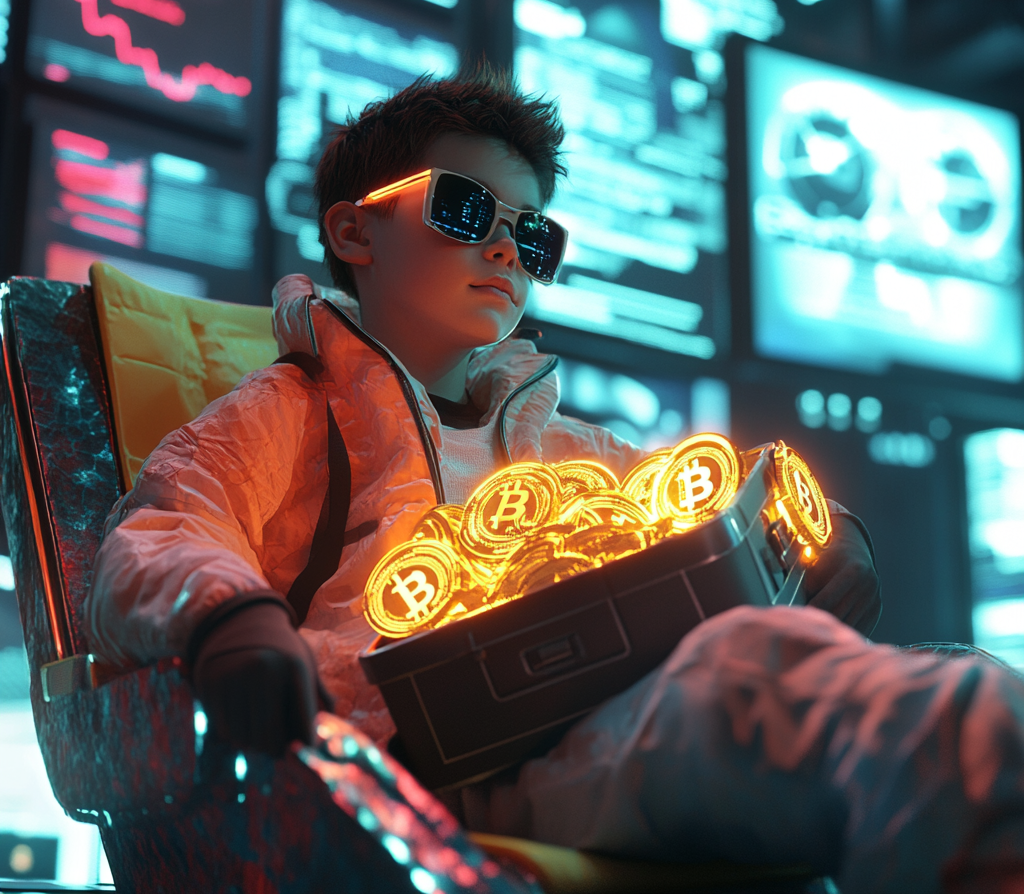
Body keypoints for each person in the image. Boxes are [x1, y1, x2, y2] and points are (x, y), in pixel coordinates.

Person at [87, 68, 1024, 890]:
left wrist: (816, 536)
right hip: (425, 765)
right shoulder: (291, 410)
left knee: (966, 678)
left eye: (531, 236)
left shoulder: (557, 441)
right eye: (466, 211)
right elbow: (165, 527)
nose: (505, 250)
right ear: (355, 231)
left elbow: (712, 496)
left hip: (603, 711)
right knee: (828, 700)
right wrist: (229, 618)